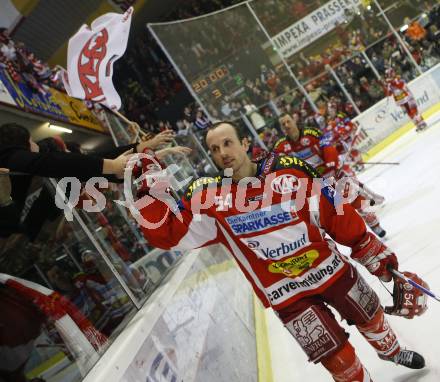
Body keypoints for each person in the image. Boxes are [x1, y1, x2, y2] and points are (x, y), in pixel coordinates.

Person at [134, 121, 427, 381]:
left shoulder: (289, 171)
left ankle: (391, 350)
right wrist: (148, 173)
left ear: (245, 144)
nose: (222, 152)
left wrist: (370, 250)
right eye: (214, 148)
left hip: (331, 271)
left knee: (371, 315)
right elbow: (166, 232)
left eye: (228, 143)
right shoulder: (210, 198)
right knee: (337, 359)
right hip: (286, 295)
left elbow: (334, 211)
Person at [275, 113, 386, 237]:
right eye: (283, 124)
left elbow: (327, 148)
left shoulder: (312, 133)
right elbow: (280, 166)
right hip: (314, 185)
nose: (286, 125)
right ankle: (356, 236)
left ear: (294, 121)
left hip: (330, 175)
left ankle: (375, 226)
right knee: (334, 215)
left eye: (288, 121)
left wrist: (332, 164)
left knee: (356, 201)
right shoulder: (280, 146)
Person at [384, 67, 428, 132]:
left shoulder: (398, 77)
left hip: (407, 96)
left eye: (393, 71)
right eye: (391, 72)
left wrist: (391, 82)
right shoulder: (389, 83)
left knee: (414, 110)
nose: (393, 73)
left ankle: (422, 123)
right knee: (409, 113)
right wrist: (384, 85)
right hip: (400, 100)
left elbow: (400, 85)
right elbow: (389, 94)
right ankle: (417, 124)